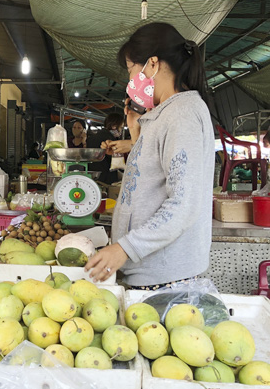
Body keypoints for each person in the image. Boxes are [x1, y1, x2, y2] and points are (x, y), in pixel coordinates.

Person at [85, 22, 215, 289]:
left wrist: (124, 248)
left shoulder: (183, 114)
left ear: (153, 64)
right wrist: (136, 129)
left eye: (132, 70)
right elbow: (148, 178)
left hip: (166, 277)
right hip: (148, 270)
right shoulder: (163, 114)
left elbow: (183, 203)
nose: (131, 81)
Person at [87, 113, 123, 184]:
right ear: (114, 126)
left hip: (93, 176)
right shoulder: (111, 140)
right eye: (121, 127)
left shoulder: (91, 138)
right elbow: (117, 162)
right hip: (108, 178)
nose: (121, 130)